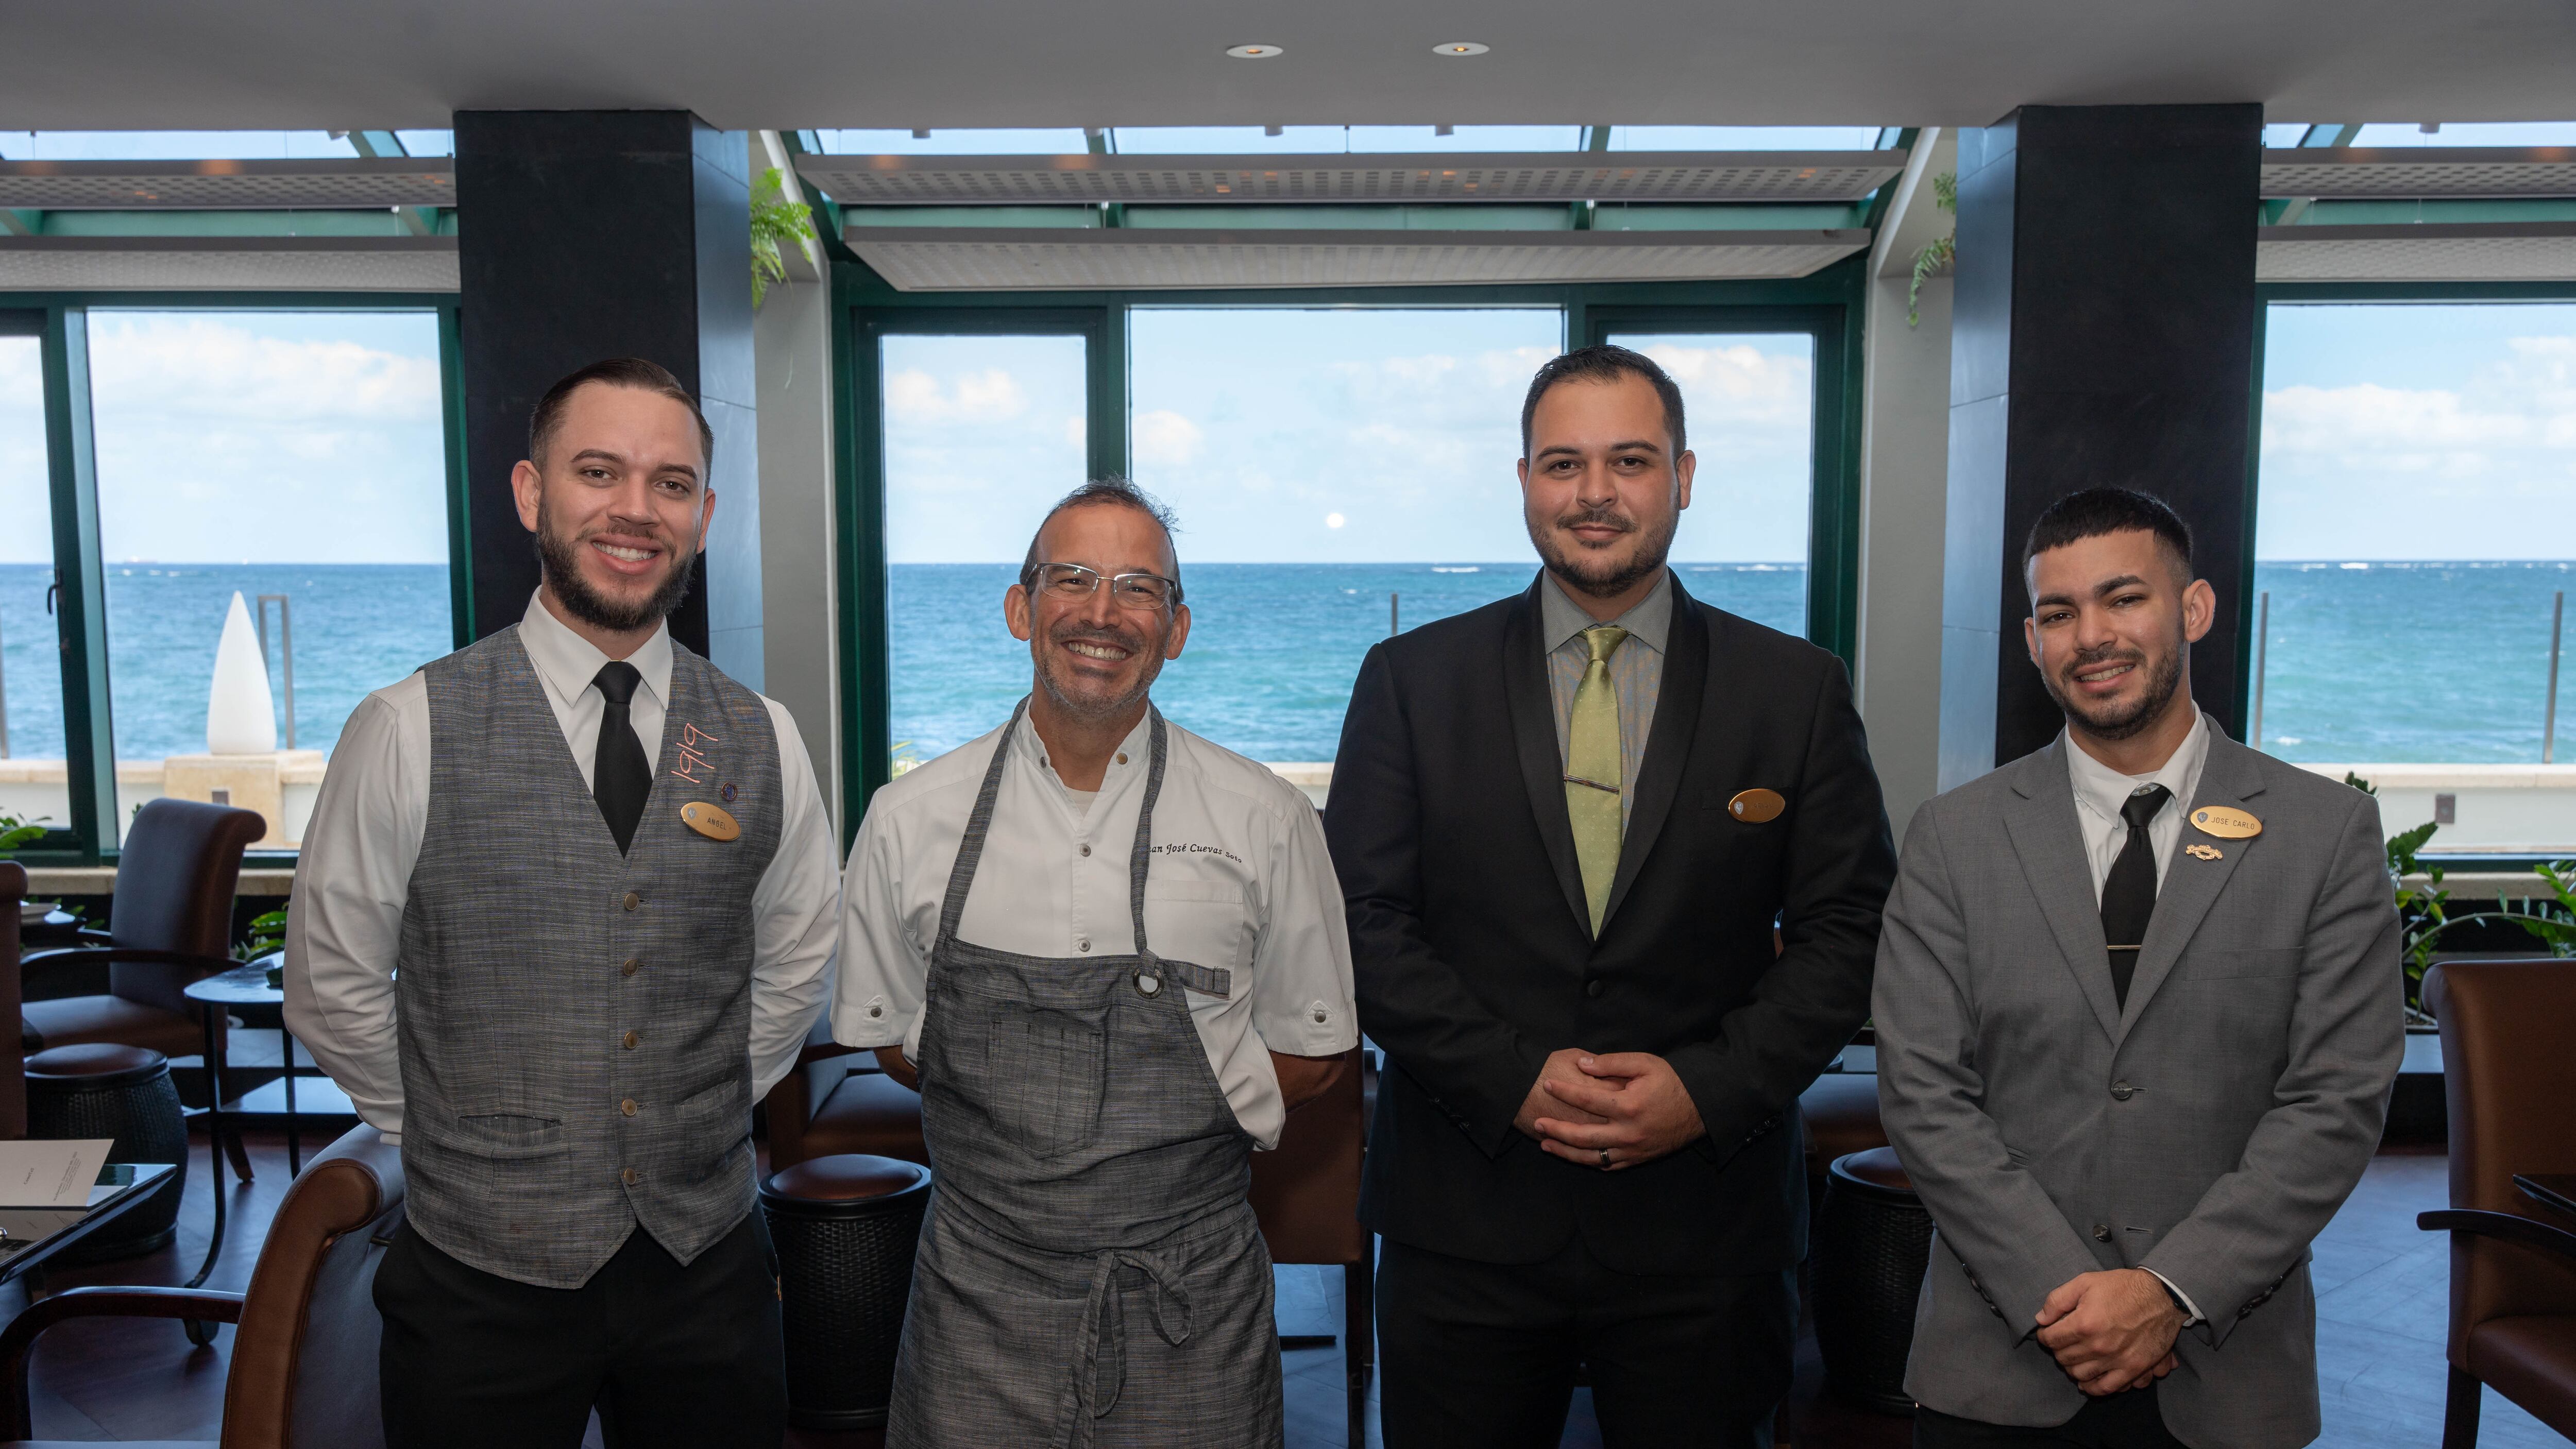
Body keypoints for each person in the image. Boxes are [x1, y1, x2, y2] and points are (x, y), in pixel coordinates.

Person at [1325, 345, 1896, 1446]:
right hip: (1466, 1220)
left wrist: (1705, 1090)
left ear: (1682, 476)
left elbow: (1850, 930)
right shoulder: (1408, 682)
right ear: (1526, 481)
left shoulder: (1795, 690)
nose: (1595, 494)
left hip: (1708, 1227)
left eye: (1628, 461)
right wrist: (1514, 1078)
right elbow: (1360, 924)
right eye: (1563, 464)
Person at [283, 357, 840, 1449]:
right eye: (600, 472)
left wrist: (698, 1111)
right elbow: (331, 983)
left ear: (704, 516)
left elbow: (797, 957)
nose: (636, 510)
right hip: (479, 1285)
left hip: (706, 1270)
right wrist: (452, 1134)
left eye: (671, 483)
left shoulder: (760, 734)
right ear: (534, 495)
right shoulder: (409, 727)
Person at [1873, 488, 2403, 1448]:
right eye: (2058, 612)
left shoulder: (2324, 834)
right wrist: (2060, 1294)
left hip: (2230, 1372)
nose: (2092, 636)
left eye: (2124, 599)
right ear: (2033, 640)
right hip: (2000, 1367)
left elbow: (2336, 1099)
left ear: (2193, 609)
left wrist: (2170, 1290)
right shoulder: (1953, 836)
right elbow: (1922, 1093)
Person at [835, 478, 1357, 1448]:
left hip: (1188, 1302)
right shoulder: (908, 821)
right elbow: (897, 1042)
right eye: (1072, 578)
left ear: (1178, 627)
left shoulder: (1266, 819)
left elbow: (1316, 1051)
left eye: (1139, 588)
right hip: (975, 1302)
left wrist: (1171, 1152)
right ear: (1020, 607)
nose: (1102, 613)